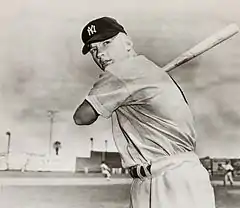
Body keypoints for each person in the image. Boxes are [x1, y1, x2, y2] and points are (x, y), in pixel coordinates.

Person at [73, 16, 216, 208]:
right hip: (164, 177)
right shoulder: (146, 70)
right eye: (94, 49)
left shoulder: (123, 71)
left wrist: (112, 88)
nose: (100, 54)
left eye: (107, 43)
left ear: (127, 42)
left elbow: (82, 117)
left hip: (169, 178)